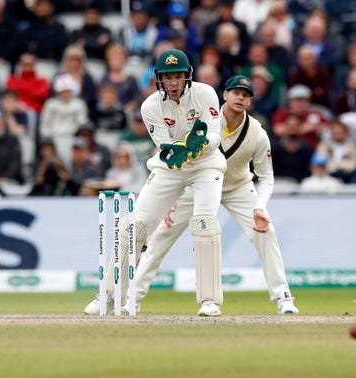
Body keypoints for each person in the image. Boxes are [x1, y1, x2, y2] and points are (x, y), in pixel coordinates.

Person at [102, 75, 299, 316]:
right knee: (161, 238)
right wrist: (171, 196)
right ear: (224, 95)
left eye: (246, 95)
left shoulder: (257, 133)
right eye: (235, 92)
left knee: (265, 232)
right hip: (196, 185)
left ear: (250, 102)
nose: (240, 97)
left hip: (237, 187)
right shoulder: (203, 117)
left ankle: (283, 296)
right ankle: (134, 297)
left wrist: (260, 206)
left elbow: (266, 177)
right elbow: (176, 157)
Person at [84, 48, 226, 316]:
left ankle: (209, 300)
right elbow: (165, 147)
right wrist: (182, 149)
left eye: (178, 77)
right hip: (169, 166)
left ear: (188, 76)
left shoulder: (205, 93)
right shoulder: (150, 106)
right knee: (134, 227)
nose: (173, 83)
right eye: (168, 78)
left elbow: (216, 133)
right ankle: (110, 294)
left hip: (206, 165)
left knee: (204, 224)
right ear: (159, 79)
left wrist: (203, 143)